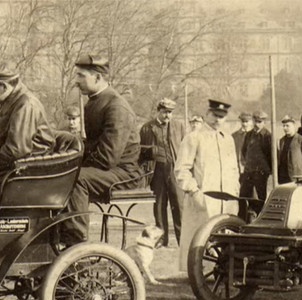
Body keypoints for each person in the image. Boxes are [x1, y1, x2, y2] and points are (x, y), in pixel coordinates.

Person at [61, 54, 143, 246]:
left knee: (76, 178)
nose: (76, 81)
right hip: (110, 171)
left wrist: (75, 165)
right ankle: (58, 236)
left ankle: (76, 243)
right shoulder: (96, 101)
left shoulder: (116, 106)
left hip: (124, 174)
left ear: (97, 78)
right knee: (62, 174)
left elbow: (107, 157)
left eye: (81, 76)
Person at [174, 100, 239, 272]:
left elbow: (234, 169)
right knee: (199, 239)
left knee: (224, 236)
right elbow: (182, 169)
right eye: (215, 115)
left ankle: (223, 270)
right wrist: (194, 191)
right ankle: (198, 272)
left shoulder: (228, 139)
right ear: (207, 114)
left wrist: (235, 190)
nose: (218, 120)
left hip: (227, 199)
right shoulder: (194, 137)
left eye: (222, 117)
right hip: (203, 198)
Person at [139, 98, 187, 247]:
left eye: (170, 112)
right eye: (165, 112)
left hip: (174, 169)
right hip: (156, 170)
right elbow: (139, 150)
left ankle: (182, 238)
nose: (168, 115)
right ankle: (161, 239)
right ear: (158, 111)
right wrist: (150, 152)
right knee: (159, 205)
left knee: (178, 205)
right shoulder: (147, 128)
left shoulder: (179, 126)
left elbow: (187, 149)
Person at [0, 63, 54, 171]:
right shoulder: (9, 99)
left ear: (4, 86)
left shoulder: (26, 104)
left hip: (31, 164)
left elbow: (16, 150)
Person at [239, 110, 272, 215]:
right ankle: (242, 219)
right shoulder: (249, 135)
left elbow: (271, 155)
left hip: (261, 172)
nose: (257, 124)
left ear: (264, 122)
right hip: (248, 171)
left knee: (260, 197)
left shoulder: (267, 136)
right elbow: (244, 151)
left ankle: (259, 218)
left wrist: (267, 170)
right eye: (255, 121)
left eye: (259, 122)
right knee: (243, 196)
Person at [278, 115, 302, 184]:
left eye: (287, 126)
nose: (285, 128)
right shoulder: (281, 141)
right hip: (284, 177)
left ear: (294, 126)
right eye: (284, 126)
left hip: (297, 177)